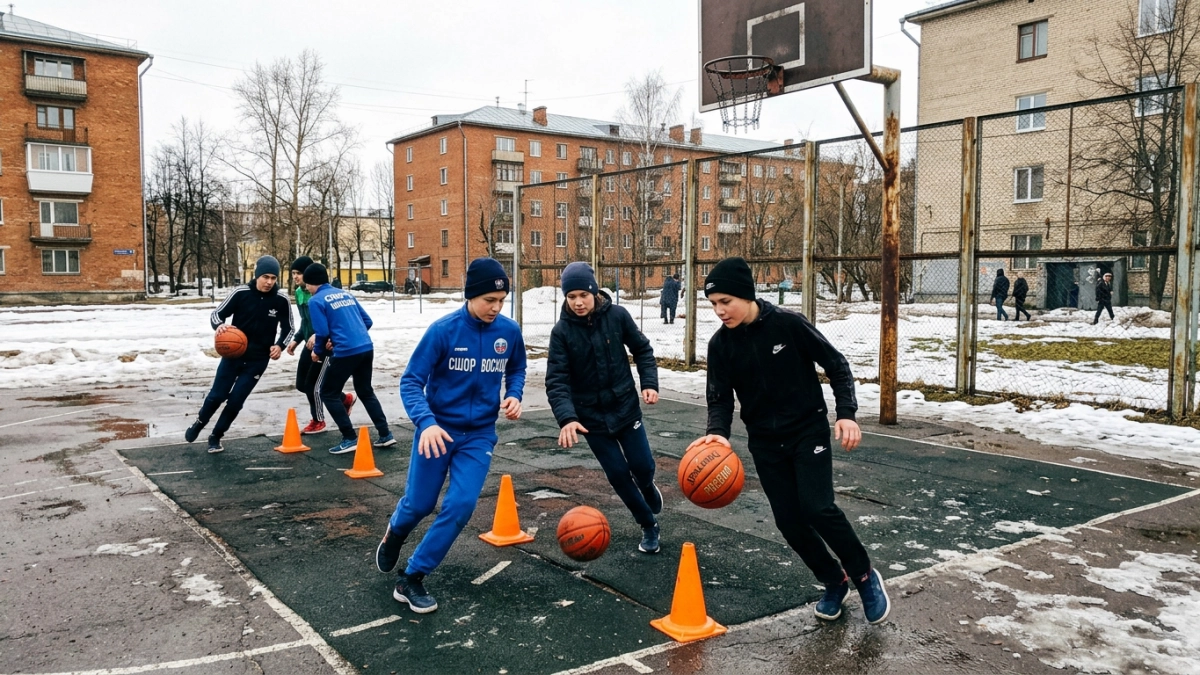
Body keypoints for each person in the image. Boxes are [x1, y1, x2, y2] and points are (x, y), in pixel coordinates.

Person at [694, 256, 890, 625]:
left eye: (726, 301)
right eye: (714, 304)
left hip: (807, 430)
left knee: (817, 507)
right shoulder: (720, 346)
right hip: (765, 442)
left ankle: (864, 575)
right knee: (788, 520)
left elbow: (837, 365)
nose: (720, 311)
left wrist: (846, 413)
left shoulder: (788, 325)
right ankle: (834, 581)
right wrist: (716, 436)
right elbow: (719, 398)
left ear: (746, 295)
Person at [375, 257, 527, 614]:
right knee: (420, 504)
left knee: (460, 505)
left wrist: (515, 393)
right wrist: (426, 422)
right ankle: (395, 532)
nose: (496, 307)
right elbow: (411, 381)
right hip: (437, 431)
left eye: (501, 301)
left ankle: (412, 577)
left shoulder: (508, 332)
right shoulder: (442, 331)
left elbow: (517, 367)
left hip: (479, 436)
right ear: (471, 295)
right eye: (489, 300)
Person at [546, 262, 663, 554]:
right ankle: (648, 524)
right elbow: (556, 380)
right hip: (591, 419)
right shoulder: (561, 332)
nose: (577, 302)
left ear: (594, 291)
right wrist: (567, 418)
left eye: (582, 295)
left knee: (642, 467)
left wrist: (649, 383)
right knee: (618, 475)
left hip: (625, 407)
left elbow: (643, 350)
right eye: (571, 296)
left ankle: (648, 486)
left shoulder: (617, 315)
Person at [185, 256, 293, 454]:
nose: (269, 282)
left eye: (273, 278)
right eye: (265, 277)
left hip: (258, 359)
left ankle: (216, 436)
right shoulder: (241, 292)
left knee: (236, 400)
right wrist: (220, 326)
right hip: (233, 355)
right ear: (257, 275)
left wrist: (280, 346)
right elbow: (216, 315)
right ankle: (200, 422)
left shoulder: (281, 299)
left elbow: (289, 328)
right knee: (217, 396)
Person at [303, 263, 395, 454]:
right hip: (366, 347)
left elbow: (321, 331)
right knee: (365, 391)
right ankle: (385, 434)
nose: (306, 288)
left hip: (346, 352)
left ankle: (349, 437)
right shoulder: (345, 294)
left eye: (307, 285)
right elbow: (367, 321)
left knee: (327, 392)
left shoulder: (316, 300)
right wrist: (352, 336)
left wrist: (318, 351)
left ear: (312, 283)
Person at [286, 256, 354, 435]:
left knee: (312, 386)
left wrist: (320, 336)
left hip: (325, 345)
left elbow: (331, 321)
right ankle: (344, 398)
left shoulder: (320, 293)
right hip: (309, 344)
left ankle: (318, 420)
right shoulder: (300, 293)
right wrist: (296, 339)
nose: (296, 277)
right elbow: (306, 322)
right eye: (293, 273)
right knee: (301, 384)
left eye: (299, 273)